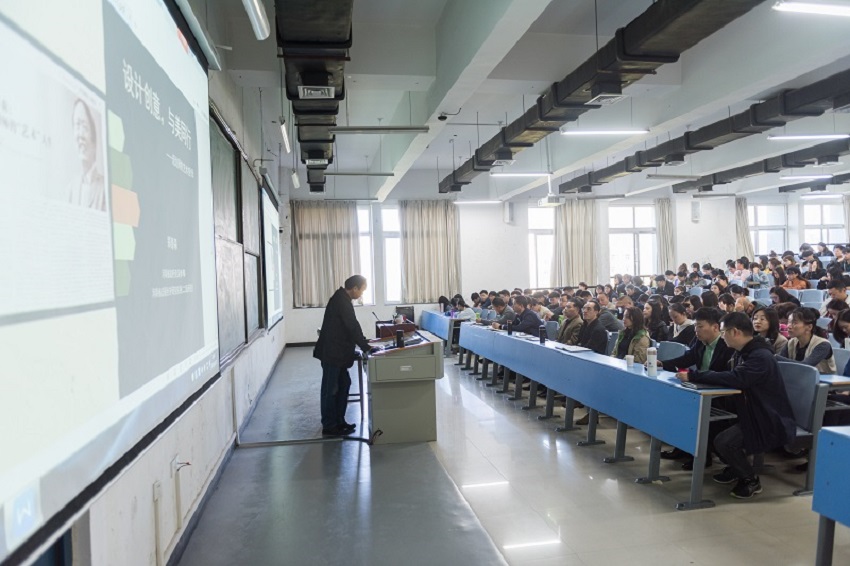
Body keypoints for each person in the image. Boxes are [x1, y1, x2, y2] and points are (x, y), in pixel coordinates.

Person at [675, 312, 796, 499]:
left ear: (735, 332)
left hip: (767, 417)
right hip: (749, 411)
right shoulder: (744, 352)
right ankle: (736, 467)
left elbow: (737, 378)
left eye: (724, 332)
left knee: (725, 441)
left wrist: (694, 375)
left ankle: (750, 479)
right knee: (710, 428)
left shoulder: (760, 356)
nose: (722, 336)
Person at [313, 275, 374, 436]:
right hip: (332, 354)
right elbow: (352, 326)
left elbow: (351, 326)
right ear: (354, 288)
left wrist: (363, 343)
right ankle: (329, 425)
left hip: (338, 353)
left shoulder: (343, 299)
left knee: (344, 384)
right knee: (331, 390)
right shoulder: (341, 301)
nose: (361, 294)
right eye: (361, 291)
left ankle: (339, 421)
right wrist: (365, 346)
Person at [67, 98, 106, 211]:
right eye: (77, 126)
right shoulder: (70, 189)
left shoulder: (105, 188)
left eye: (84, 127)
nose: (80, 135)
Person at [777, 307, 836, 374]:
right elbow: (780, 363)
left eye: (794, 323)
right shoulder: (791, 342)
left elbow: (806, 366)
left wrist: (775, 357)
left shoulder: (823, 344)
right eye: (789, 322)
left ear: (809, 327)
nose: (788, 326)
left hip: (821, 379)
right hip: (799, 377)